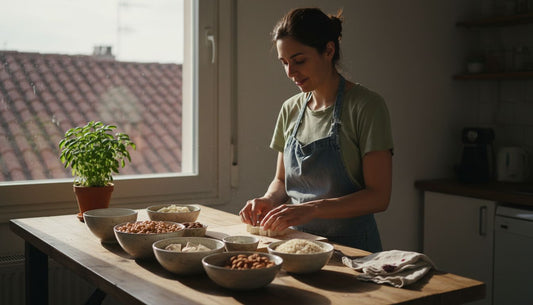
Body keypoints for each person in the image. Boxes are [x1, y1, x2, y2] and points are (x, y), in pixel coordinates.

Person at [239, 7, 393, 252]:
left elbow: (379, 196)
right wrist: (268, 200)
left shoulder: (367, 107)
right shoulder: (290, 109)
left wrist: (311, 209)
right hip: (299, 246)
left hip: (354, 250)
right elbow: (281, 180)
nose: (291, 72)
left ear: (329, 50)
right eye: (285, 63)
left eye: (299, 61)